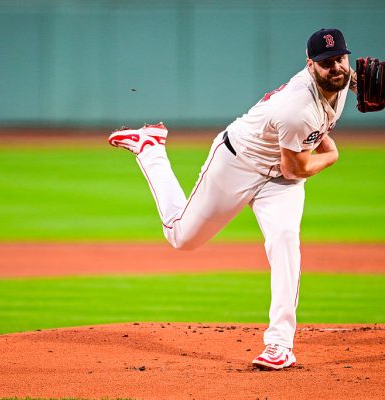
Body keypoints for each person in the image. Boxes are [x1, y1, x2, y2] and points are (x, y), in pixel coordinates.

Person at [108, 28, 356, 370]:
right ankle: (150, 147)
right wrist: (331, 156)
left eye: (341, 59)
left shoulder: (344, 77)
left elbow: (348, 85)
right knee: (182, 238)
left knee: (285, 242)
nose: (337, 68)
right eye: (327, 63)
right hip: (238, 162)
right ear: (310, 65)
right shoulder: (296, 108)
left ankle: (279, 345)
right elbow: (296, 167)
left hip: (279, 179)